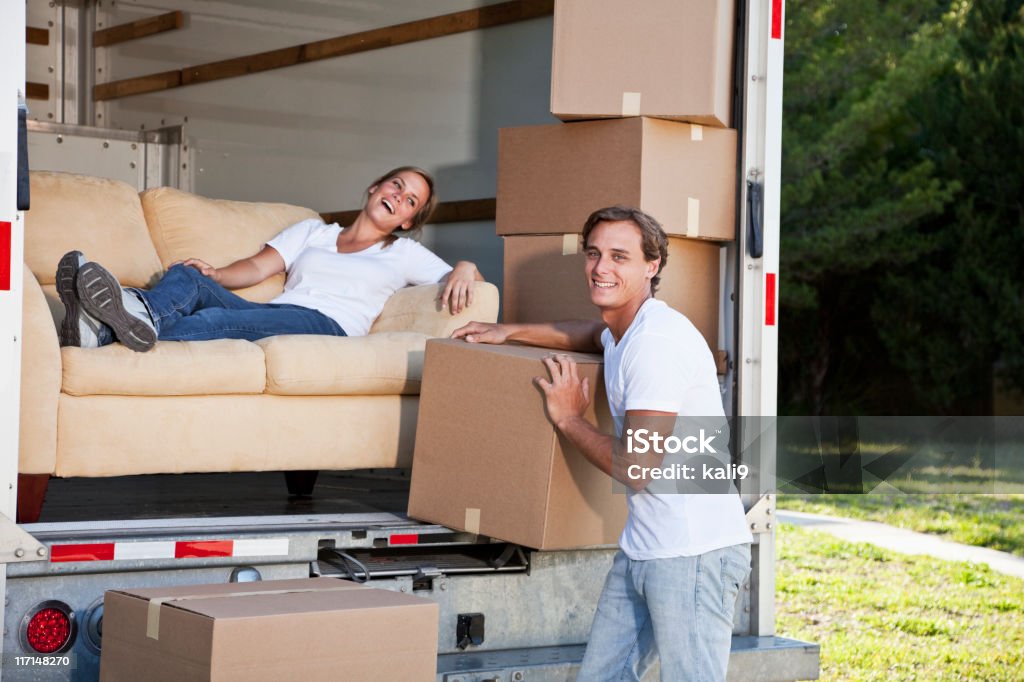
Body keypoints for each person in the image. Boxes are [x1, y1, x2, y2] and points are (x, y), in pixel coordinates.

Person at [452, 206, 752, 681]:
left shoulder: (656, 343)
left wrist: (569, 419)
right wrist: (507, 330)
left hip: (694, 555)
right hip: (646, 547)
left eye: (619, 256)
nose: (600, 267)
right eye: (594, 253)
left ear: (651, 267)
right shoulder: (623, 330)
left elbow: (638, 466)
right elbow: (588, 332)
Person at [57, 166, 483, 352]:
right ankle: (108, 324)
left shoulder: (404, 253)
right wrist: (214, 273)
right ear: (374, 188)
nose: (398, 198)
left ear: (409, 221)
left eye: (410, 201)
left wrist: (464, 266)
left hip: (325, 325)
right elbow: (259, 267)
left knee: (214, 324)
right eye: (395, 185)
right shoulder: (313, 231)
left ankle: (108, 322)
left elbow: (467, 279)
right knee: (186, 274)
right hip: (281, 311)